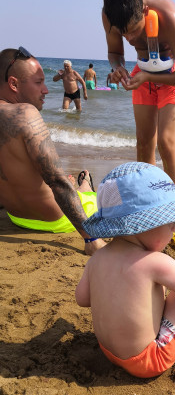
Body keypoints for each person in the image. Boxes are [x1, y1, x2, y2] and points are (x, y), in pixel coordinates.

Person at [76, 162, 175, 378]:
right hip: (147, 360)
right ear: (142, 225)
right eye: (169, 223)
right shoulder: (155, 262)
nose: (174, 229)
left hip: (108, 351)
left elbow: (82, 299)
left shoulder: (97, 258)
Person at [0, 47, 105, 255]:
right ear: (13, 84)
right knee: (102, 195)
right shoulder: (25, 114)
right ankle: (85, 182)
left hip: (17, 217)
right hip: (56, 220)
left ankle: (82, 183)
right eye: (38, 82)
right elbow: (56, 181)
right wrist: (91, 238)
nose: (46, 90)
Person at [102, 0, 175, 195]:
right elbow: (115, 53)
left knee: (165, 142)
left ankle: (173, 204)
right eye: (123, 33)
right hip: (142, 71)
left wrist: (147, 76)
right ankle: (148, 199)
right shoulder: (110, 14)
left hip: (173, 73)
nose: (129, 39)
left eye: (134, 31)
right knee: (144, 142)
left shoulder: (169, 17)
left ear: (145, 11)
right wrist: (118, 68)